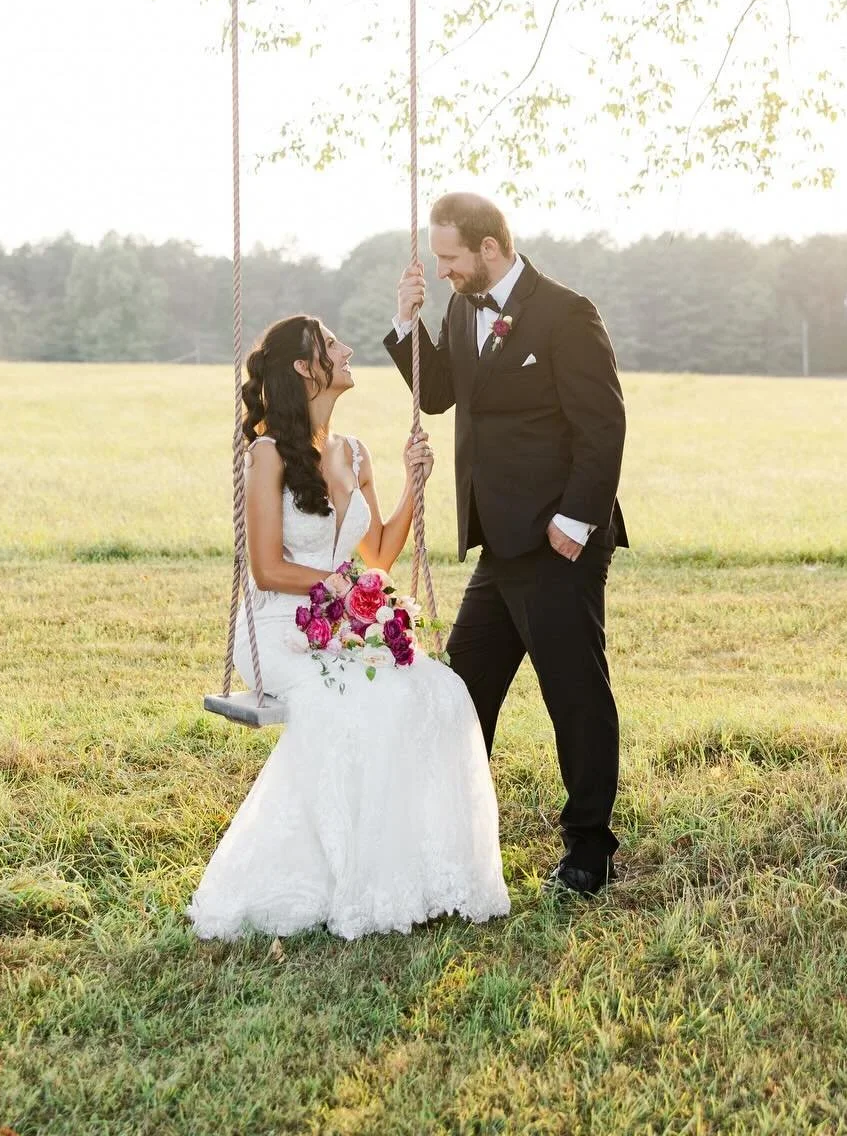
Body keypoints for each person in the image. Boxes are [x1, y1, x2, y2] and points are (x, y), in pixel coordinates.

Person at [188, 313, 509, 941]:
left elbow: (381, 554)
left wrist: (414, 485)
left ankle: (415, 871)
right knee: (367, 703)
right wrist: (337, 588)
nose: (348, 349)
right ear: (308, 369)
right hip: (281, 629)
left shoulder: (352, 451)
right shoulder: (266, 455)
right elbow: (267, 566)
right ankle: (343, 878)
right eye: (334, 346)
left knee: (438, 692)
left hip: (342, 625)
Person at [386, 192, 627, 895]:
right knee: (463, 690)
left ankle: (589, 849)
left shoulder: (567, 313)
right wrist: (407, 325)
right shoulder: (463, 307)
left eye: (451, 258)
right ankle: (449, 835)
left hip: (559, 543)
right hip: (499, 543)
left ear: (490, 248)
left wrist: (577, 521)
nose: (444, 270)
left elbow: (603, 426)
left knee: (574, 695)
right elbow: (441, 398)